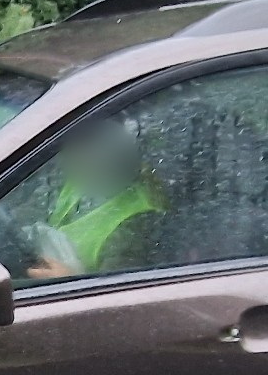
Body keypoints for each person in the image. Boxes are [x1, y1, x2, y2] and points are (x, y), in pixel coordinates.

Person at [25, 117, 165, 279]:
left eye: (78, 146)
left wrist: (71, 279)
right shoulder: (80, 182)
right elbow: (29, 213)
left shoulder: (136, 224)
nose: (65, 155)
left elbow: (115, 295)